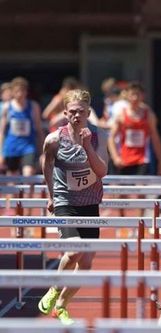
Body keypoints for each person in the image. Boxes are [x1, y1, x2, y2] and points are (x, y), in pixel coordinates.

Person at [38, 89, 108, 325]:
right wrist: (51, 195)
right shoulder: (54, 139)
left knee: (86, 264)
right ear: (65, 113)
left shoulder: (99, 136)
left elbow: (102, 172)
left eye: (81, 112)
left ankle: (62, 305)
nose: (77, 116)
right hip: (65, 200)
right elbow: (46, 165)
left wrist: (88, 146)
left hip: (90, 202)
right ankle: (54, 290)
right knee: (74, 249)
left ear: (88, 112)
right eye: (73, 112)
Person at [108, 81, 161, 176]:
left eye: (138, 94)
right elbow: (111, 138)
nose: (135, 98)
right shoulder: (121, 115)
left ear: (143, 96)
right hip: (124, 160)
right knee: (122, 190)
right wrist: (115, 157)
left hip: (142, 160)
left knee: (140, 188)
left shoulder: (149, 115)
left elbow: (155, 138)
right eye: (132, 94)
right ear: (127, 95)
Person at [0, 77, 44, 176]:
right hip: (11, 147)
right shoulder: (7, 107)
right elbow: (2, 132)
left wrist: (42, 152)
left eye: (22, 91)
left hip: (28, 146)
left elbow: (39, 130)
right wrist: (1, 153)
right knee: (12, 178)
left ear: (26, 92)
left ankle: (29, 192)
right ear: (12, 92)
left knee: (28, 173)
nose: (20, 94)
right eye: (17, 91)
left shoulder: (33, 106)